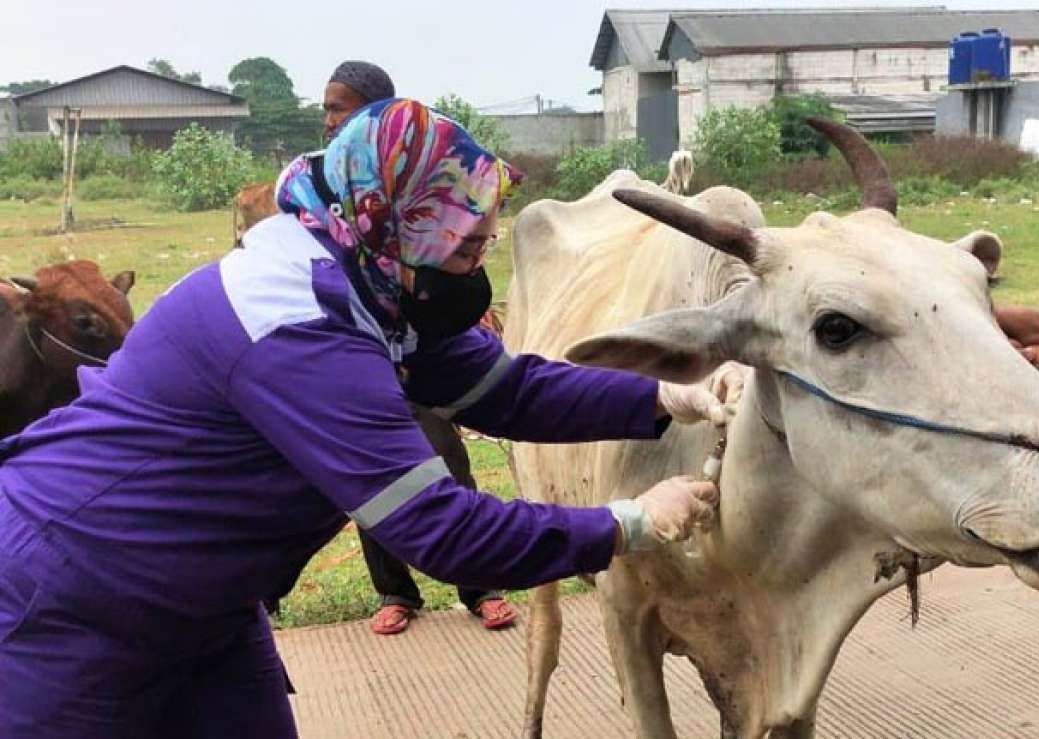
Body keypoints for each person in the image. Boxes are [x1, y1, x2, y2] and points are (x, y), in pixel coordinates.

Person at [0, 98, 726, 738]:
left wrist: (661, 397)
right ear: (397, 226)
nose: (477, 269)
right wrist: (627, 522)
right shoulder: (296, 323)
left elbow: (509, 390)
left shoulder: (376, 279)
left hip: (205, 603)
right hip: (72, 593)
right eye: (466, 246)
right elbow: (441, 528)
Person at [320, 60, 522, 634]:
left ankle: (479, 585)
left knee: (450, 468)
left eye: (341, 109)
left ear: (375, 116)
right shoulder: (325, 195)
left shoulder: (427, 191)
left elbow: (464, 278)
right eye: (327, 110)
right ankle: (396, 592)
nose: (331, 121)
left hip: (421, 356)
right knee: (369, 478)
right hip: (358, 363)